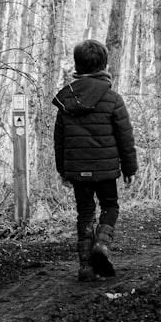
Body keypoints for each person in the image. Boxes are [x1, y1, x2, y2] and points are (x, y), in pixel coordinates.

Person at [53, 39, 138, 281]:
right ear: (104, 64)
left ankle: (86, 267)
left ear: (77, 66)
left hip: (78, 171)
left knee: (85, 213)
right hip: (106, 171)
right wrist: (129, 168)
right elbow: (125, 136)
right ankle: (102, 244)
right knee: (110, 206)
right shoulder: (113, 99)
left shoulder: (66, 100)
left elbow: (59, 140)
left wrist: (63, 170)